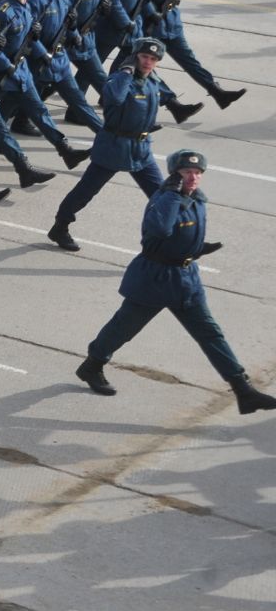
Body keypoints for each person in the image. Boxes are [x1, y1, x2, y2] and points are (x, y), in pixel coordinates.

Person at [75, 149, 274, 416]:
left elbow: (181, 233)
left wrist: (197, 248)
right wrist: (171, 195)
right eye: (186, 172)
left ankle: (243, 391)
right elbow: (160, 230)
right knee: (123, 328)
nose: (193, 177)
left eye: (197, 172)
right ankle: (92, 364)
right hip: (154, 279)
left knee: (210, 334)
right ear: (174, 175)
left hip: (186, 280)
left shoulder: (197, 200)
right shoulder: (163, 199)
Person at [49, 38, 201, 253]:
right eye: (144, 57)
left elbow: (164, 95)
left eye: (153, 59)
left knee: (163, 194)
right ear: (135, 57)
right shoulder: (121, 79)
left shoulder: (152, 80)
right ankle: (60, 226)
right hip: (113, 147)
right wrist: (126, 71)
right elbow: (113, 97)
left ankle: (178, 239)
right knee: (85, 192)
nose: (148, 62)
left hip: (141, 149)